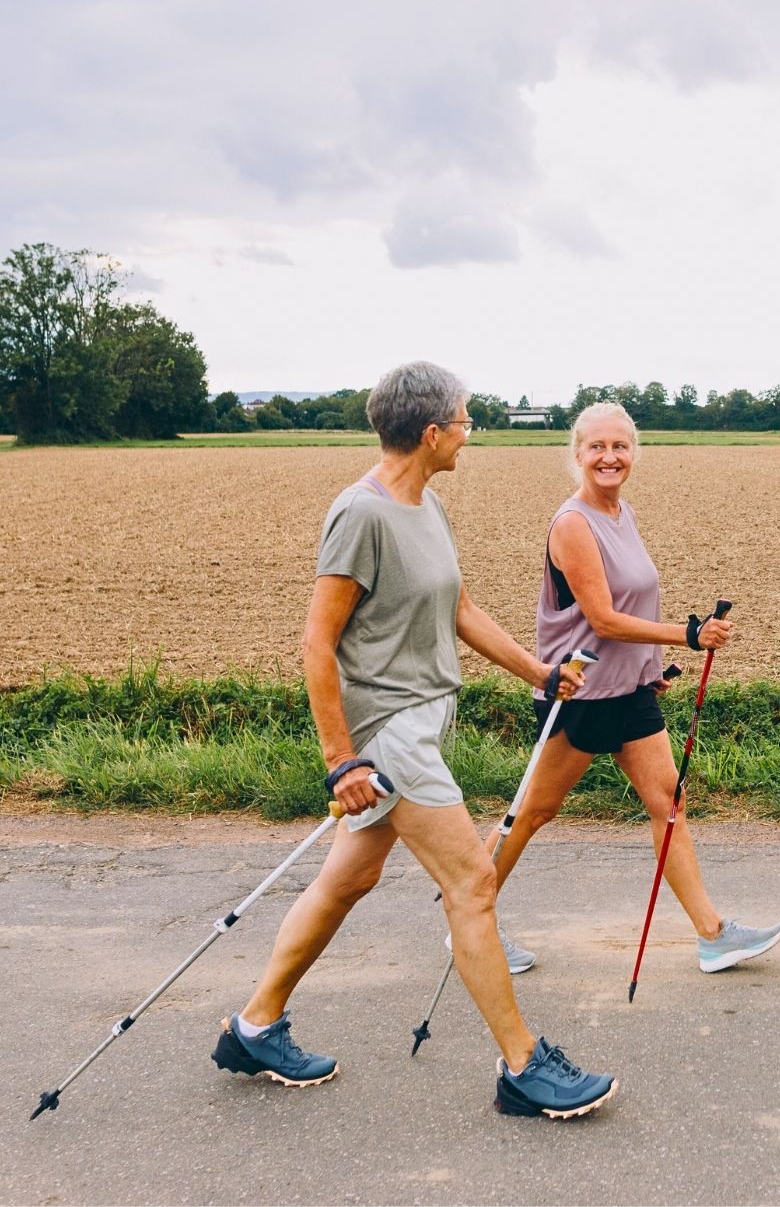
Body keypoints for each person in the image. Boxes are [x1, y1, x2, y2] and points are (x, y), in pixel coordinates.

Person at [209, 361, 617, 1120]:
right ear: (432, 433)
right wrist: (341, 761)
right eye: (465, 422)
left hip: (418, 722)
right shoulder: (360, 514)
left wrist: (539, 670)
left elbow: (457, 607)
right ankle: (526, 1068)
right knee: (473, 883)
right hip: (388, 739)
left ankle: (254, 1026)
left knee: (348, 879)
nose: (470, 434)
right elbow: (316, 643)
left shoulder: (426, 506)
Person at [483, 401, 780, 976]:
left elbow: (636, 604)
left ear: (634, 454)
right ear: (577, 455)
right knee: (535, 812)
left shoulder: (623, 513)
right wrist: (689, 636)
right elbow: (604, 619)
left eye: (620, 446)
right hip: (584, 695)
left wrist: (653, 670)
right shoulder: (573, 524)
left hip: (631, 693)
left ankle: (712, 936)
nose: (609, 457)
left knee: (667, 803)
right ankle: (469, 915)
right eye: (597, 447)